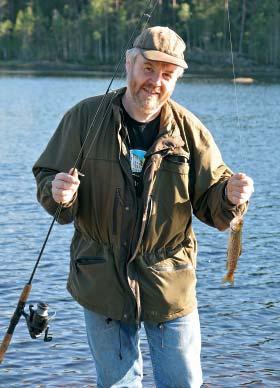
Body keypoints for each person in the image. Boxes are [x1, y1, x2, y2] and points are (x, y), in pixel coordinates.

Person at [33, 26, 254, 388]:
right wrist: (58, 193)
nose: (156, 82)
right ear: (129, 63)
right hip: (101, 279)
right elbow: (48, 175)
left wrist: (230, 196)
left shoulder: (191, 132)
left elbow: (213, 205)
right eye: (148, 69)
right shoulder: (83, 118)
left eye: (167, 75)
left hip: (170, 282)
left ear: (177, 79)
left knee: (183, 383)